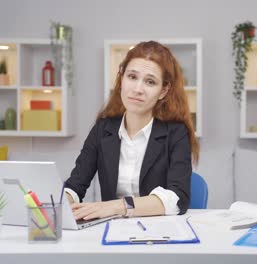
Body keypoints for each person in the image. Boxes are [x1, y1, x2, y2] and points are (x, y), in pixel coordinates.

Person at [64, 40, 199, 221]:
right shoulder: (102, 129)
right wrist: (57, 203)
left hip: (159, 232)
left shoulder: (176, 133)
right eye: (132, 77)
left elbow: (177, 199)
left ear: (163, 91)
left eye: (150, 82)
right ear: (121, 79)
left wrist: (116, 206)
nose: (137, 89)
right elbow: (75, 186)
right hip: (112, 232)